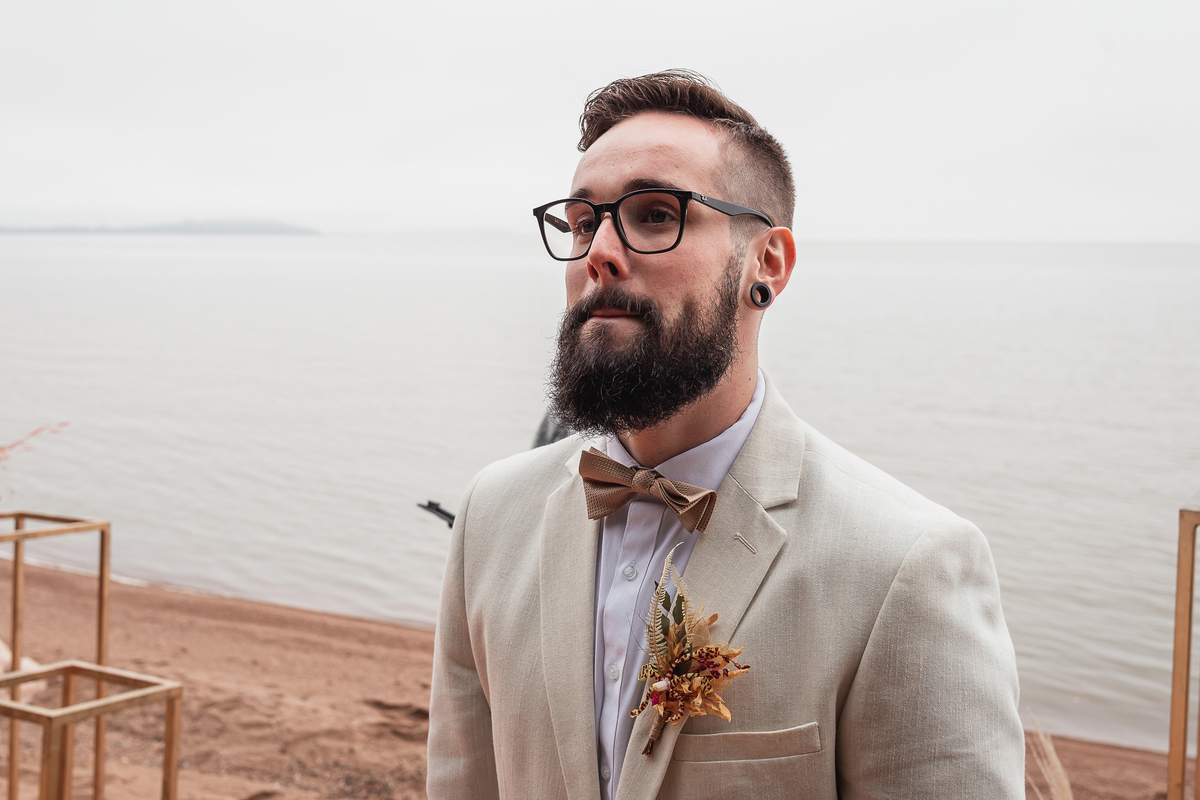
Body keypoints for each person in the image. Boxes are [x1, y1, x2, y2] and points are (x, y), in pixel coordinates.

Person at [427, 70, 1024, 800]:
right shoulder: (492, 514)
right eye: (583, 222)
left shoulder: (904, 565)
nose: (597, 255)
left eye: (653, 215)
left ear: (766, 266)